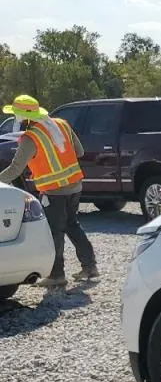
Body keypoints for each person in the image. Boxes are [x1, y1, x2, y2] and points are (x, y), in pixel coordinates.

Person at [0, 94, 97, 287]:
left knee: (55, 232)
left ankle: (56, 275)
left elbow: (15, 169)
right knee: (72, 224)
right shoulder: (61, 124)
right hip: (74, 185)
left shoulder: (30, 138)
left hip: (54, 191)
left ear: (24, 118)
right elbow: (79, 152)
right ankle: (90, 266)